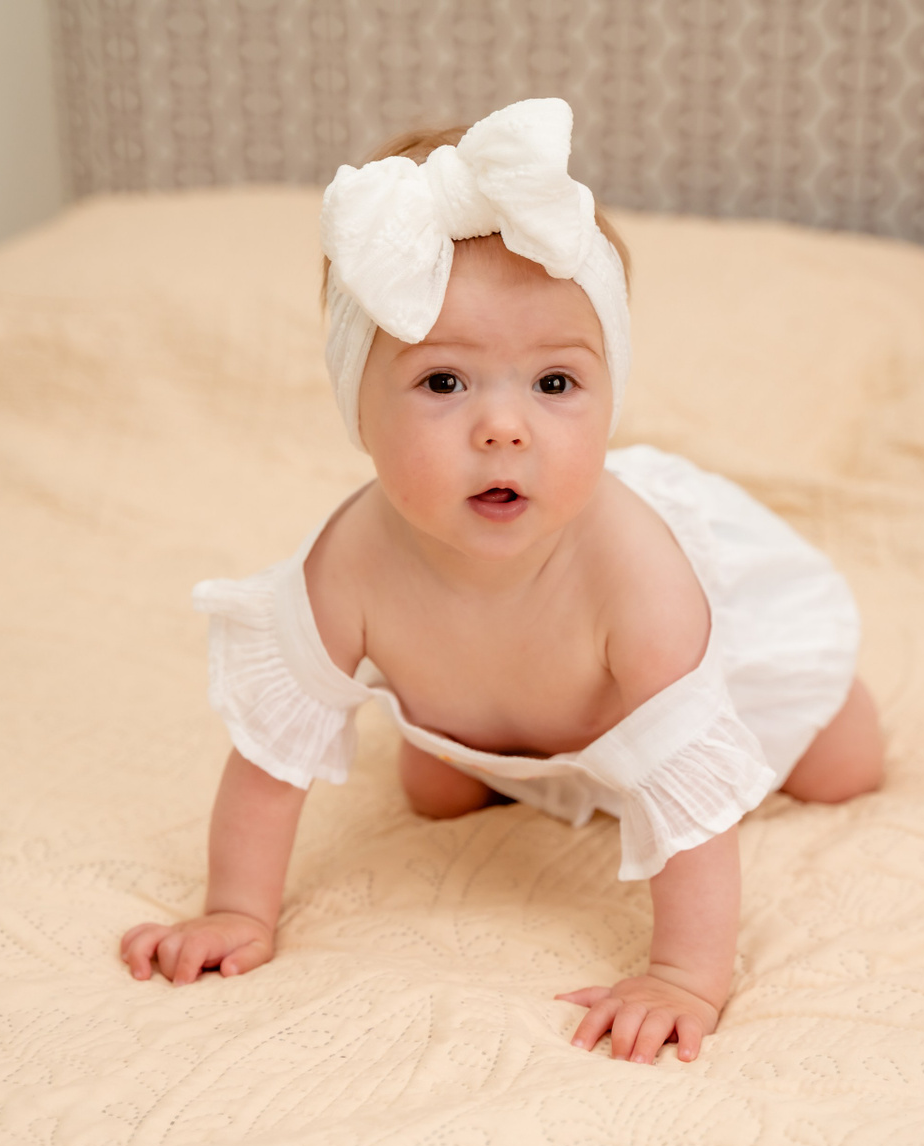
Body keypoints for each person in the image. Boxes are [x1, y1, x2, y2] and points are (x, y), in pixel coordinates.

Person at [121, 98, 883, 1065]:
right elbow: (273, 762)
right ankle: (512, 766)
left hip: (678, 692)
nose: (504, 429)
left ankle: (803, 713)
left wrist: (685, 975)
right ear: (357, 404)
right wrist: (236, 909)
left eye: (555, 384)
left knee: (845, 765)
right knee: (434, 791)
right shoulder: (351, 559)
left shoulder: (635, 570)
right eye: (443, 382)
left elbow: (690, 795)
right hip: (492, 715)